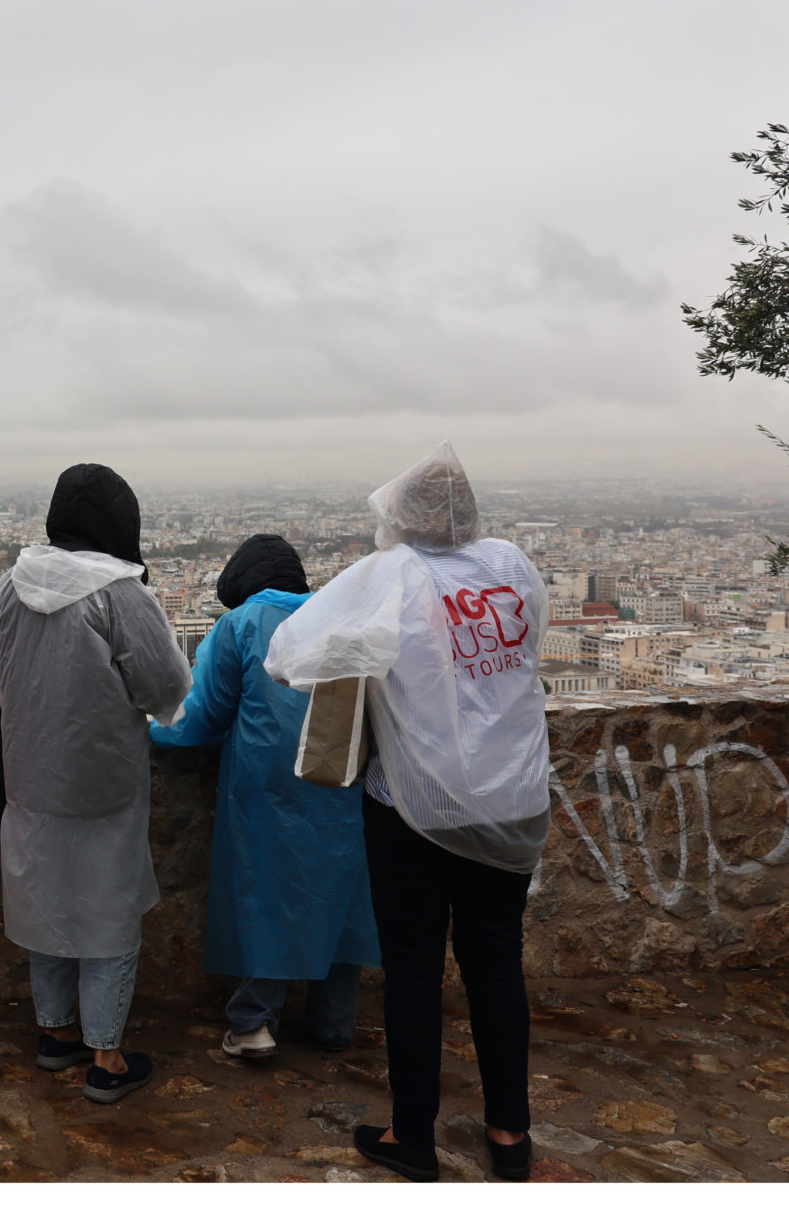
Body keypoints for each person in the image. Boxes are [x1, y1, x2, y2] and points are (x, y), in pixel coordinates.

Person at [265, 444, 549, 1182]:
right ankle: (510, 1133)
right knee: (496, 962)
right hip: (514, 797)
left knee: (415, 968)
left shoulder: (392, 573)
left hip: (417, 805)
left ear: (401, 515)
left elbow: (286, 654)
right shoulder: (511, 564)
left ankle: (412, 1134)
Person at [0, 464, 192, 1104]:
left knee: (45, 901)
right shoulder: (120, 593)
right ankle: (107, 1056)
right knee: (107, 911)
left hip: (31, 776)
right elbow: (165, 686)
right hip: (103, 782)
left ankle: (56, 1033)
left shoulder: (13, 584)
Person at [150, 534, 378, 1058]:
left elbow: (202, 715)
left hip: (266, 788)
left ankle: (254, 1023)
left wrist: (152, 729)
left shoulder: (241, 624)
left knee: (264, 896)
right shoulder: (344, 619)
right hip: (342, 787)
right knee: (338, 896)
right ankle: (334, 1022)